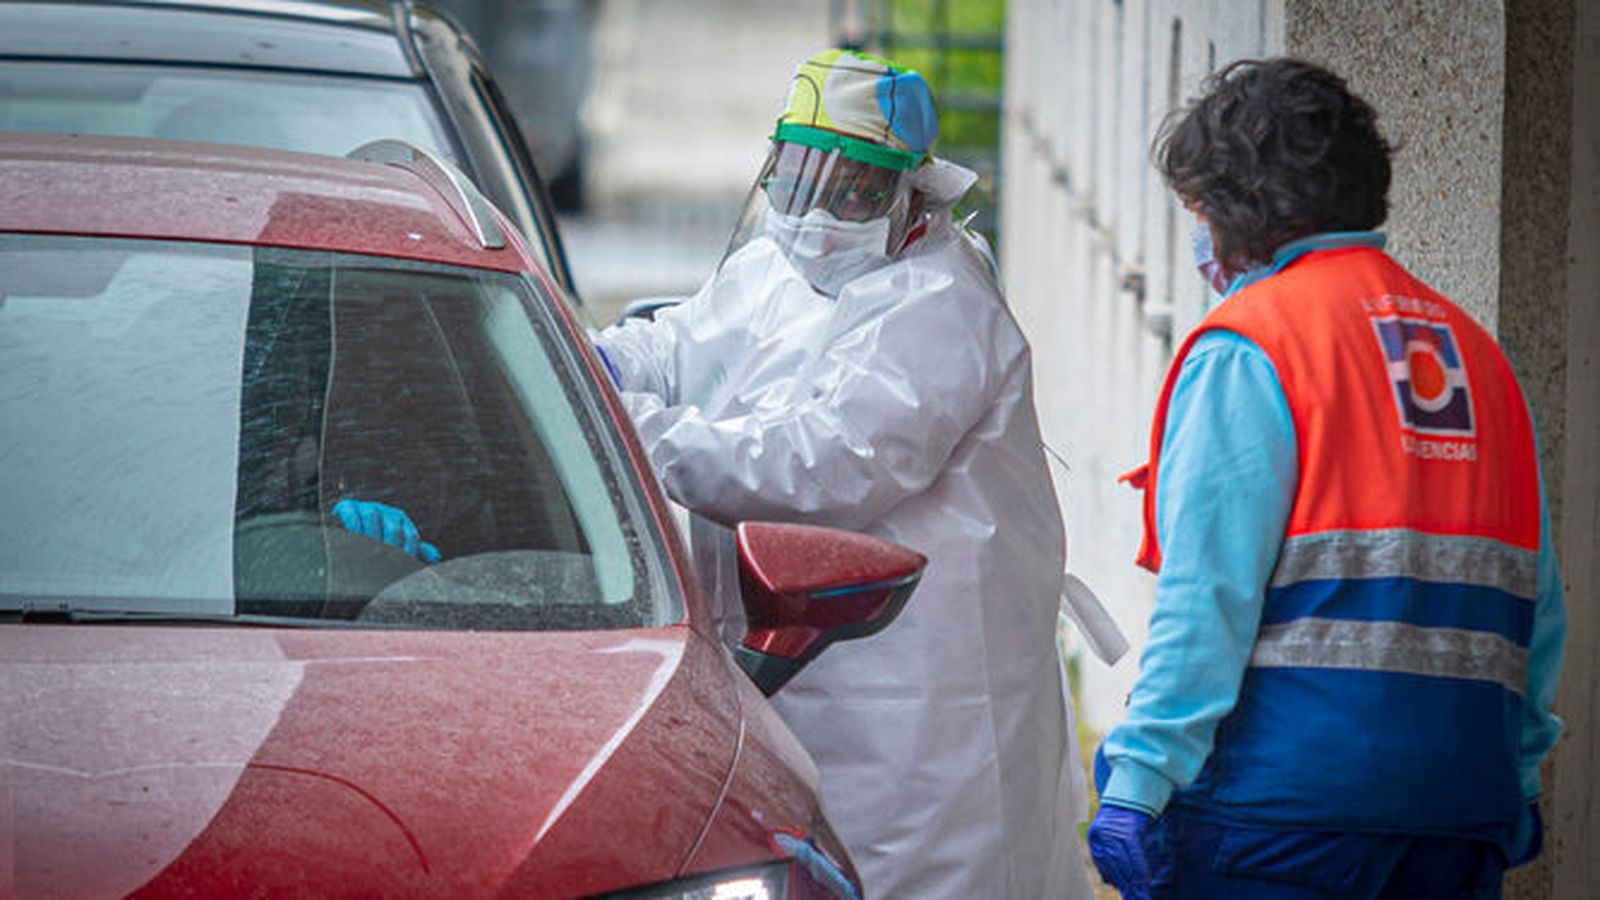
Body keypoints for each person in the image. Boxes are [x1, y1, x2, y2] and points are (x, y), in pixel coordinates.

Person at [595, 48, 1092, 899]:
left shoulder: (940, 304)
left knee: (919, 876)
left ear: (912, 194)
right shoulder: (776, 269)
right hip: (800, 674)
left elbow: (818, 466)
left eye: (852, 187)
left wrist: (627, 429)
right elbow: (673, 347)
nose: (817, 208)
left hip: (921, 705)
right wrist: (588, 363)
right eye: (798, 175)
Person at [1088, 58, 1567, 900]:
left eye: (1197, 212)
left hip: (1278, 821)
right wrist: (1520, 775)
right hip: (1459, 817)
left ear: (1231, 210)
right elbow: (1542, 606)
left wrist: (1138, 781)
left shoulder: (1254, 344)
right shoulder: (1479, 357)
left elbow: (1209, 595)